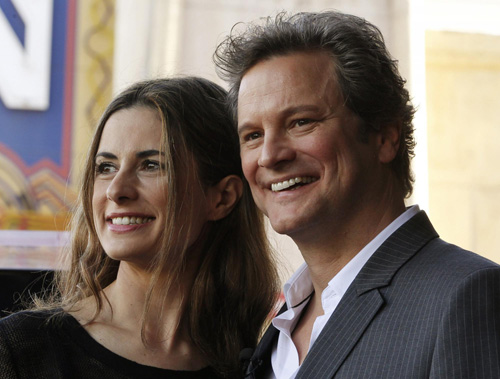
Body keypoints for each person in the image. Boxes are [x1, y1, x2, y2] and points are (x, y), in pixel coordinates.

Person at [214, 10, 500, 379]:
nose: (269, 155)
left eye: (301, 122)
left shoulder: (467, 297)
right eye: (252, 135)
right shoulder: (273, 325)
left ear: (384, 137)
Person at [0, 77, 280, 379]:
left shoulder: (256, 365)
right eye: (106, 167)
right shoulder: (20, 349)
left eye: (151, 165)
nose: (116, 190)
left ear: (222, 198)